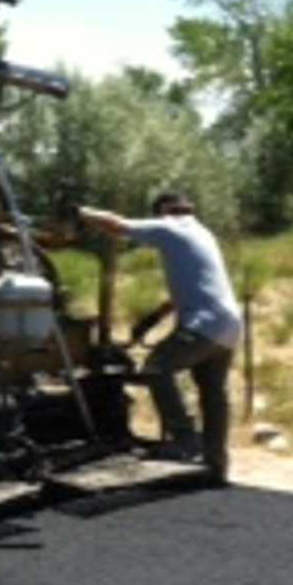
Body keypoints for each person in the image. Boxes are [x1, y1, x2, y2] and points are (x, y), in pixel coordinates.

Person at [77, 192, 242, 483]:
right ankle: (217, 465)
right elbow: (196, 285)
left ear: (163, 211)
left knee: (156, 367)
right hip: (228, 325)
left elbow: (117, 225)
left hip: (203, 325)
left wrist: (80, 211)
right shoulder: (202, 233)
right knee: (214, 394)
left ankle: (184, 437)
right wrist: (152, 320)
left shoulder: (169, 226)